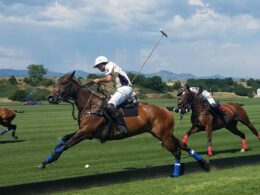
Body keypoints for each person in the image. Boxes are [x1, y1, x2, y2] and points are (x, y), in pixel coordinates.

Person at [93, 56, 133, 135]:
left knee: (109, 106)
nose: (98, 68)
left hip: (124, 89)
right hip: (121, 89)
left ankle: (122, 127)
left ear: (102, 64)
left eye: (98, 66)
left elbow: (108, 79)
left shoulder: (109, 65)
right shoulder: (110, 66)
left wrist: (98, 80)